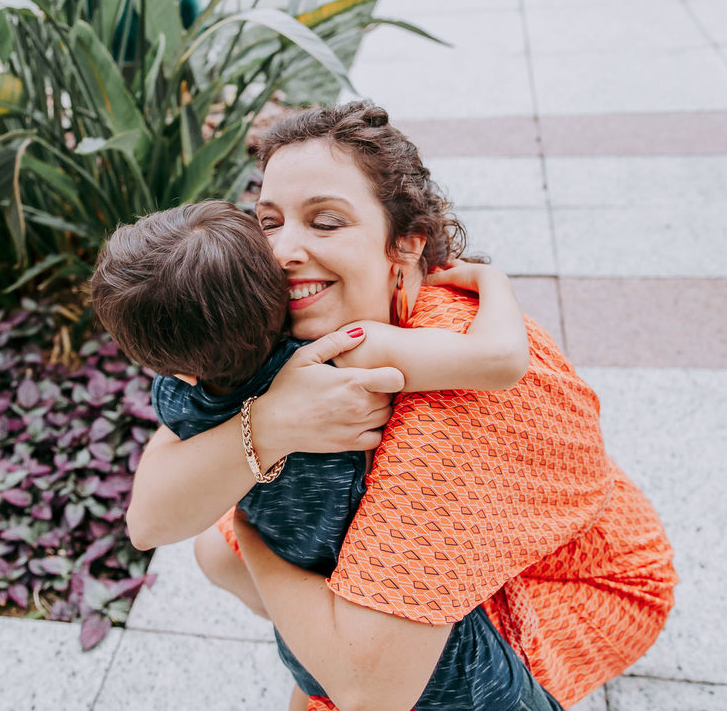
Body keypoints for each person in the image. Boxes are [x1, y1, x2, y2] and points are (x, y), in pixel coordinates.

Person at [124, 101, 677, 711]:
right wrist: (276, 419)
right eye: (269, 220)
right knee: (215, 549)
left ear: (405, 246)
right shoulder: (291, 321)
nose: (283, 251)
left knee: (362, 664)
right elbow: (150, 519)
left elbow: (373, 693)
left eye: (327, 222)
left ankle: (355, 638)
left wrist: (255, 543)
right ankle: (341, 636)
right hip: (484, 536)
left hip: (580, 582)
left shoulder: (443, 393)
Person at [93, 200, 550, 707]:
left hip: (306, 636)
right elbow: (499, 359)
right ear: (280, 292)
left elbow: (147, 521)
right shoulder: (342, 355)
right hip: (449, 664)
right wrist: (493, 282)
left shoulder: (176, 397)